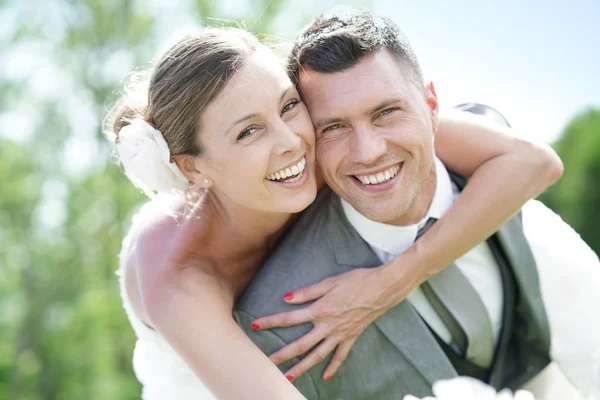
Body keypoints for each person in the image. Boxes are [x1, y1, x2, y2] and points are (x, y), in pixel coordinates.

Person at [107, 24, 564, 400]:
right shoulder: (180, 281)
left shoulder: (320, 150)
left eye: (289, 106)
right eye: (248, 133)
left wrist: (394, 280)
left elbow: (533, 163)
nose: (290, 142)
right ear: (194, 168)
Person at [236, 6, 600, 400]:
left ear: (431, 107)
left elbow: (541, 163)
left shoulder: (496, 158)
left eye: (386, 112)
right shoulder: (281, 322)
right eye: (334, 127)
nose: (369, 151)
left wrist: (395, 279)